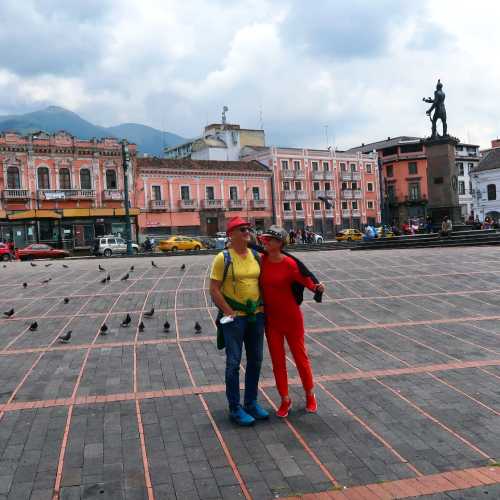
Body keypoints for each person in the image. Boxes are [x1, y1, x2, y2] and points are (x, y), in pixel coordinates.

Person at [258, 226, 325, 417]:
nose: (266, 242)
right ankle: (285, 399)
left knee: (301, 359)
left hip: (292, 319)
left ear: (279, 243)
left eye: (270, 239)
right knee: (278, 362)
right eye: (266, 239)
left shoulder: (290, 264)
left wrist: (318, 288)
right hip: (272, 321)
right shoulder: (262, 261)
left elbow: (308, 282)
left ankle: (310, 395)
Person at [209, 216, 269, 426]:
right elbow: (214, 289)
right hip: (235, 320)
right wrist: (228, 311)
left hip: (256, 316)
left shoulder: (255, 255)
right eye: (242, 229)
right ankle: (235, 408)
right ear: (231, 234)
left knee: (256, 360)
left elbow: (264, 282)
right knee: (233, 363)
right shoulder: (223, 258)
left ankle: (251, 402)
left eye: (248, 229)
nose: (247, 232)